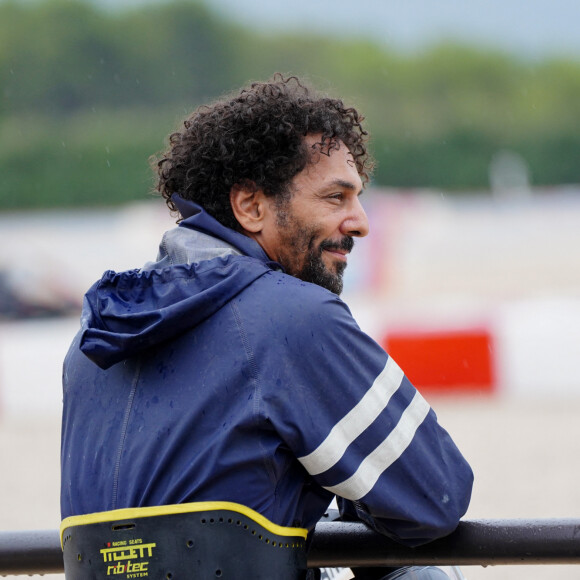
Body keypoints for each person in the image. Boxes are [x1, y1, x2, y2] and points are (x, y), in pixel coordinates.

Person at [60, 74, 473, 580]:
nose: (362, 221)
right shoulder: (296, 319)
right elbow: (437, 496)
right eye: (335, 197)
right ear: (251, 206)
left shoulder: (91, 341)